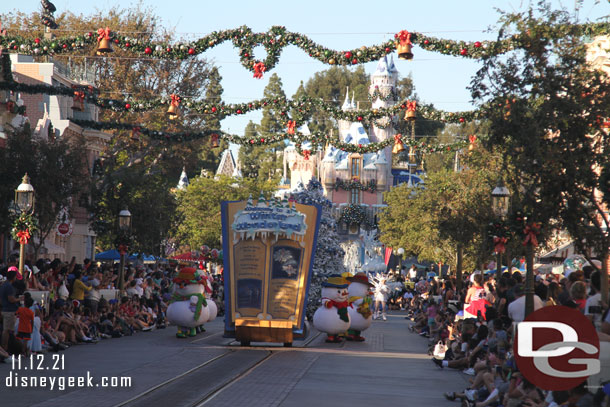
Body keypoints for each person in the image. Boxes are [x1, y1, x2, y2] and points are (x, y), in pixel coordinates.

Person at [1, 269, 23, 352]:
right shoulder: (9, 286)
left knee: (8, 330)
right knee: (7, 330)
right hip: (9, 310)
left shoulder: (3, 285)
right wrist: (19, 299)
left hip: (5, 309)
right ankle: (5, 349)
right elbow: (11, 299)